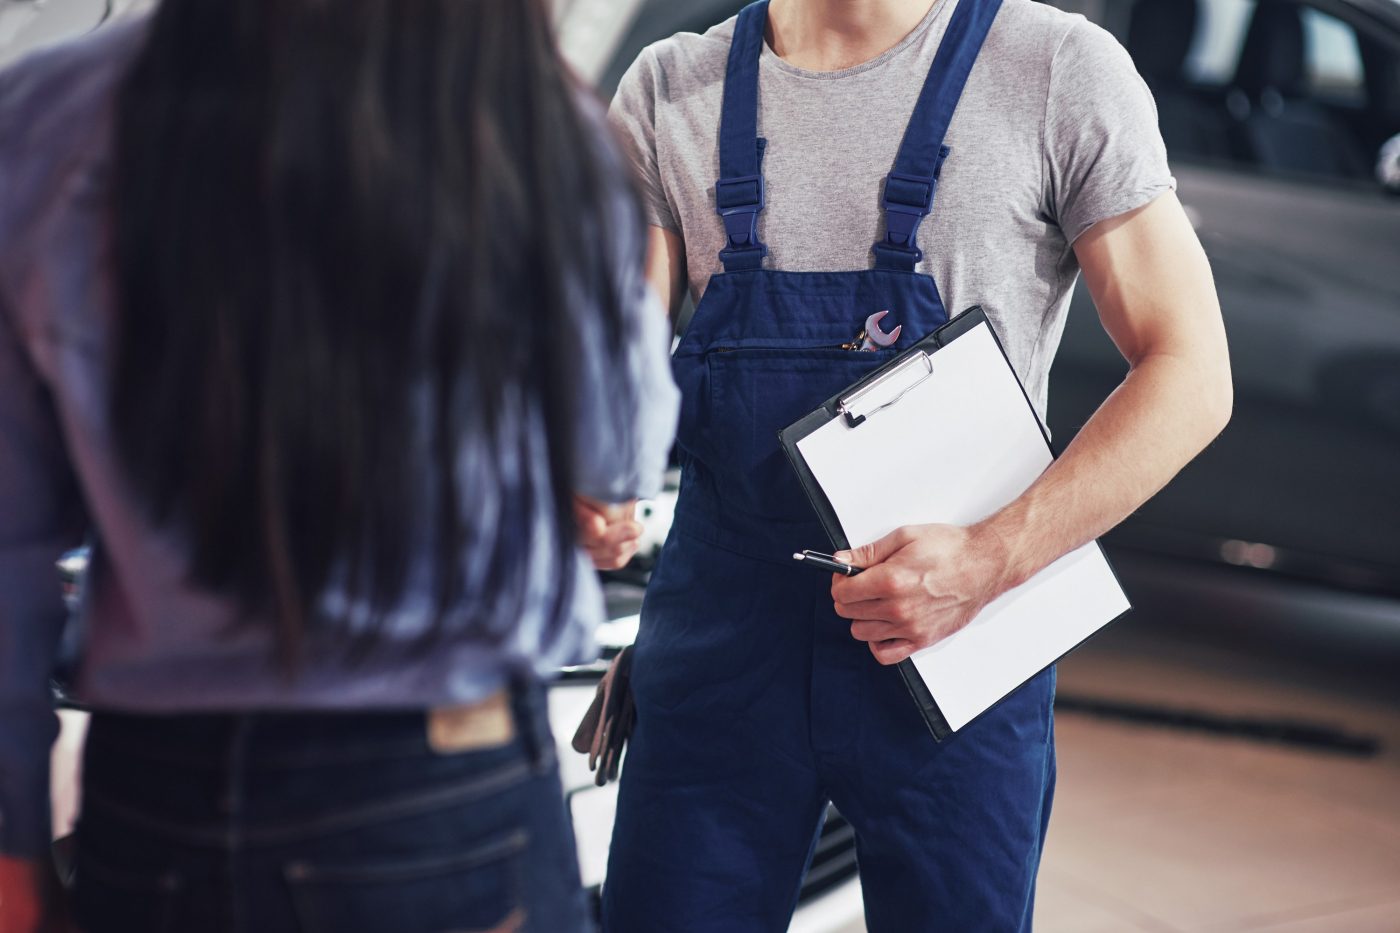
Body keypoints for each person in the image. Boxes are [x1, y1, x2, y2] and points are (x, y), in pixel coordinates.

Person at [0, 1, 678, 931]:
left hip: (154, 802)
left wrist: (14, 847)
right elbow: (620, 448)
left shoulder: (48, 114)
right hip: (438, 789)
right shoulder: (522, 116)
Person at [602, 0, 1231, 929]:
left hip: (960, 644)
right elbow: (606, 377)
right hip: (719, 653)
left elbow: (1192, 372)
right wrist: (588, 476)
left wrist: (990, 558)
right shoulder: (669, 88)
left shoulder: (1055, 69)